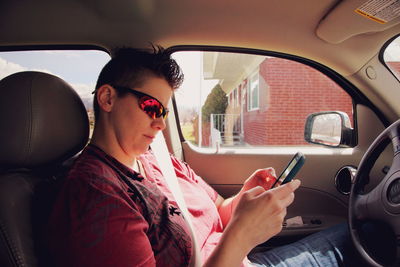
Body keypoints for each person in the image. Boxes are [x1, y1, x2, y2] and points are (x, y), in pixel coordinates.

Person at [47, 46, 361, 266]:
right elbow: (230, 232)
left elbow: (218, 211)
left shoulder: (157, 158)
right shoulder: (97, 194)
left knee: (361, 231)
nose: (160, 122)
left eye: (165, 111)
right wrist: (240, 236)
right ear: (107, 98)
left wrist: (243, 198)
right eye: (151, 107)